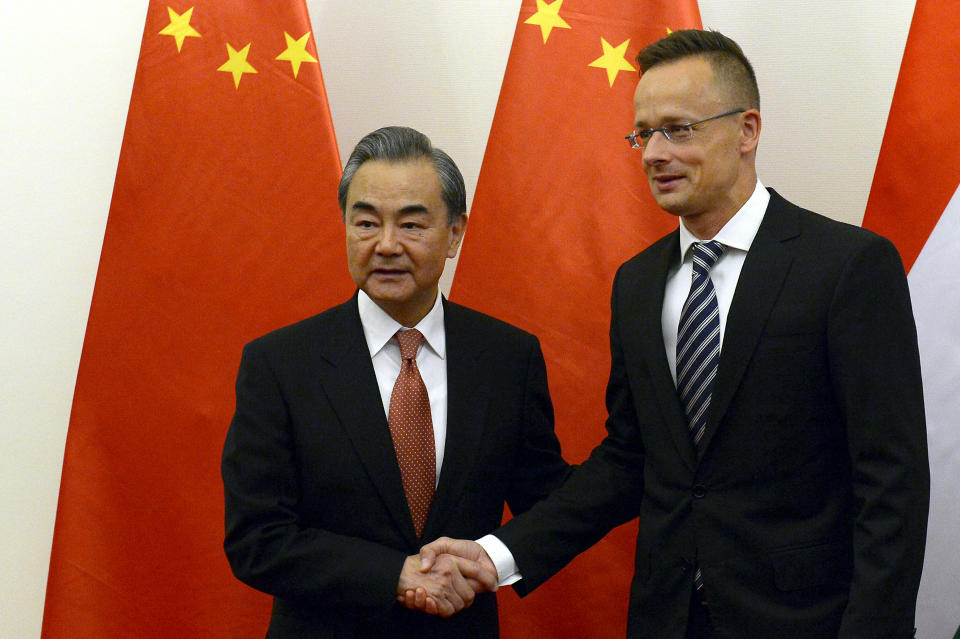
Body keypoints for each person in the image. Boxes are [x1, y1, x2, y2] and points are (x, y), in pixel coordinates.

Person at [412, 30, 929, 639]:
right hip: (667, 617)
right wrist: (497, 555)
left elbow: (891, 480)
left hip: (805, 619)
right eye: (643, 133)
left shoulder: (846, 266)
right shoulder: (637, 284)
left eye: (678, 129)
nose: (653, 152)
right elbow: (631, 459)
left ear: (747, 130)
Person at [221, 126, 570, 638]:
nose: (386, 245)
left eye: (411, 225)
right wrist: (394, 575)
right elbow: (257, 538)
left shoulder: (506, 358)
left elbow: (546, 502)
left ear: (454, 234)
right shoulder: (280, 363)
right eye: (366, 223)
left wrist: (492, 560)